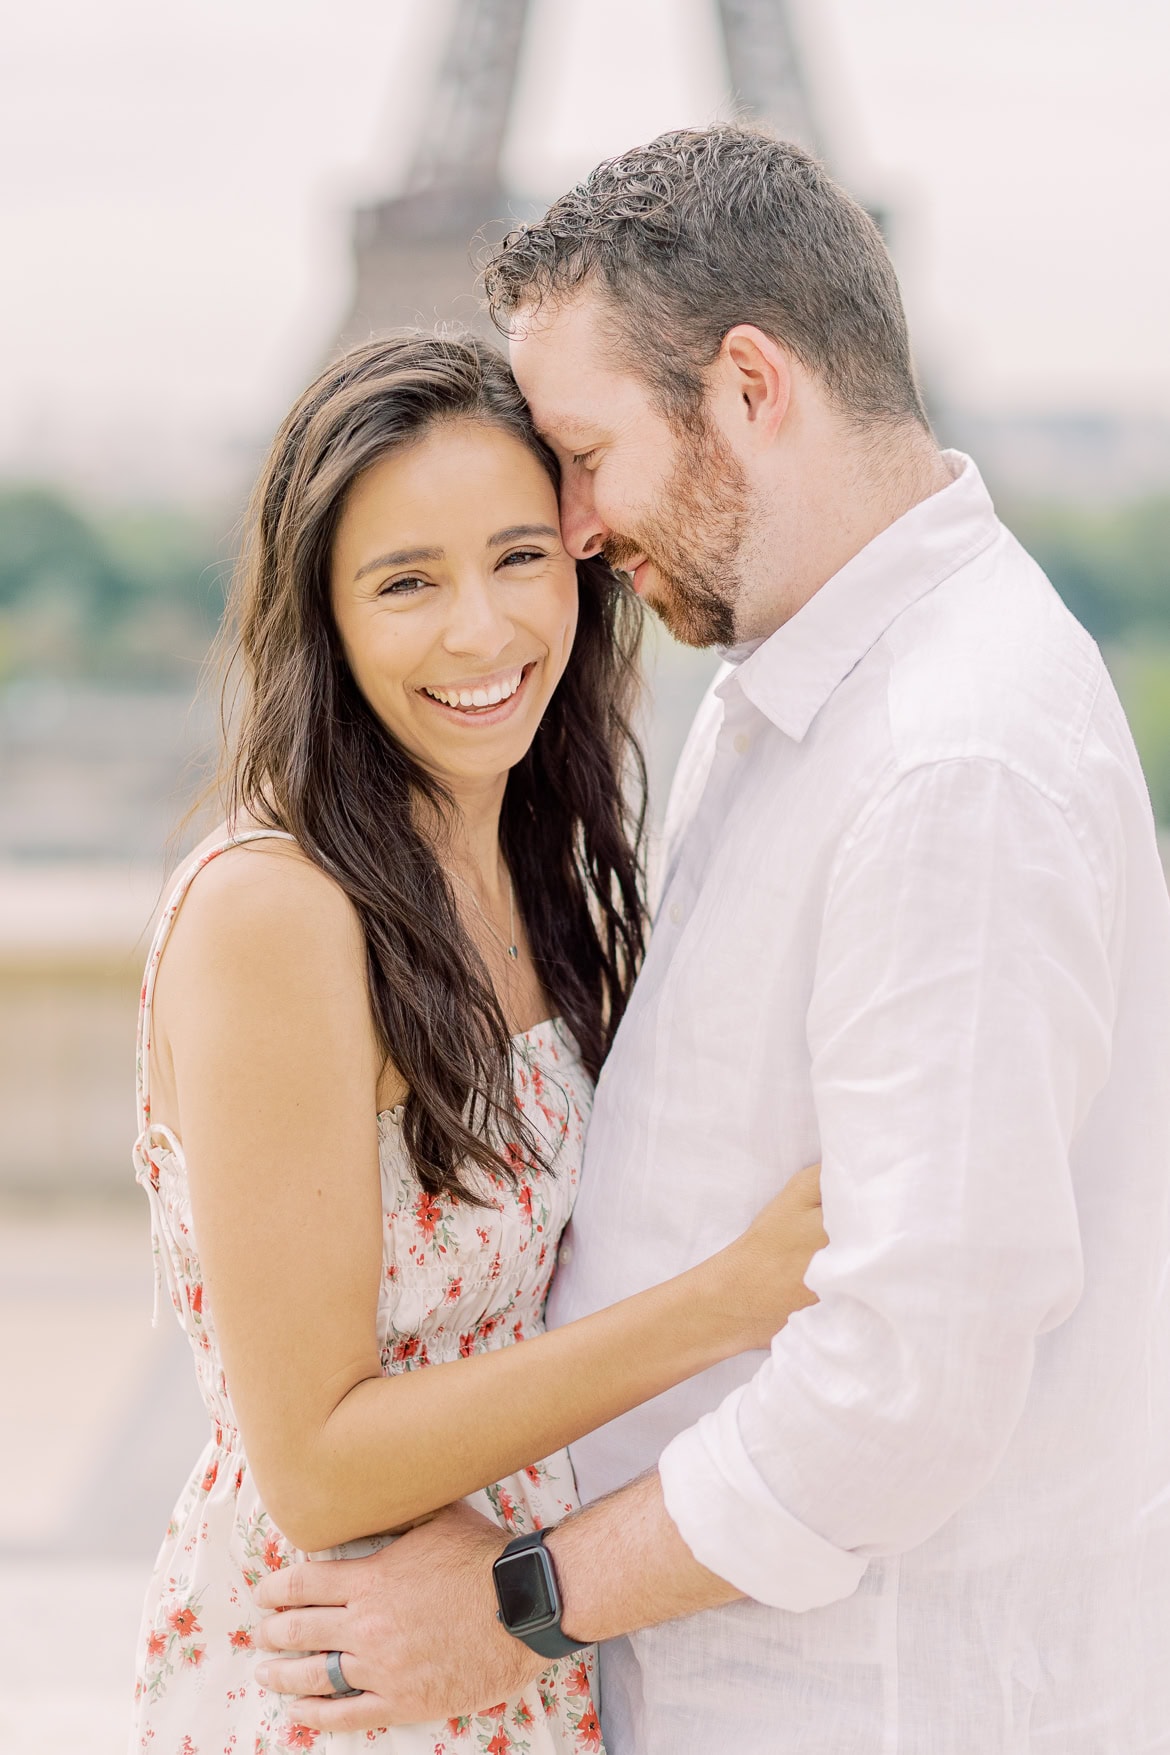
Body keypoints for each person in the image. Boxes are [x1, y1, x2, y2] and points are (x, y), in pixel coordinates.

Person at [255, 128, 1170, 1753]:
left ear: (749, 386)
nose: (578, 526)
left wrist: (522, 1602)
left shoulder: (944, 762)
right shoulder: (806, 697)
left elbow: (907, 1383)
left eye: (587, 457)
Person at [128, 331, 827, 1754]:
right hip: (348, 1679)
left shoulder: (526, 856)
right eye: (405, 583)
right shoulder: (277, 910)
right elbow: (315, 1464)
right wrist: (735, 1293)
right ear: (321, 617)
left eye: (518, 557)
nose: (480, 632)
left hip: (505, 1635)